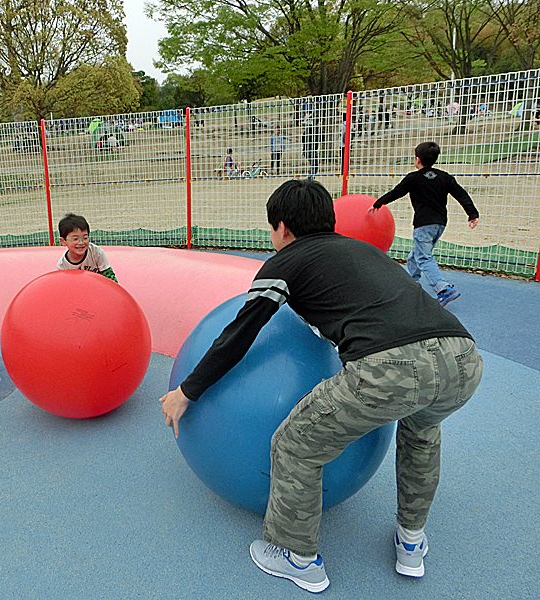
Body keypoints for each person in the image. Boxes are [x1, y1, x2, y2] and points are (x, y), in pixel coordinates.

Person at [159, 178, 483, 594]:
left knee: (295, 444)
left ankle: (297, 557)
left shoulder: (285, 262)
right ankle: (411, 542)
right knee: (421, 436)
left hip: (391, 369)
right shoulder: (365, 251)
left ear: (282, 229)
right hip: (463, 358)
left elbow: (241, 332)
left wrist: (187, 391)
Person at [370, 141, 479, 306]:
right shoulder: (444, 177)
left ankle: (443, 288)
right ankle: (411, 286)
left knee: (423, 257)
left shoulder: (413, 178)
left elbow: (396, 193)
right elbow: (461, 194)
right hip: (440, 224)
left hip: (423, 225)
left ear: (417, 160)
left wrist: (378, 203)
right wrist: (472, 213)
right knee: (414, 257)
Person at [56, 213, 117, 282]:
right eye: (75, 239)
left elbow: (109, 276)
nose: (81, 243)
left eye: (85, 238)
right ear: (63, 241)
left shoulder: (96, 252)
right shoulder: (63, 265)